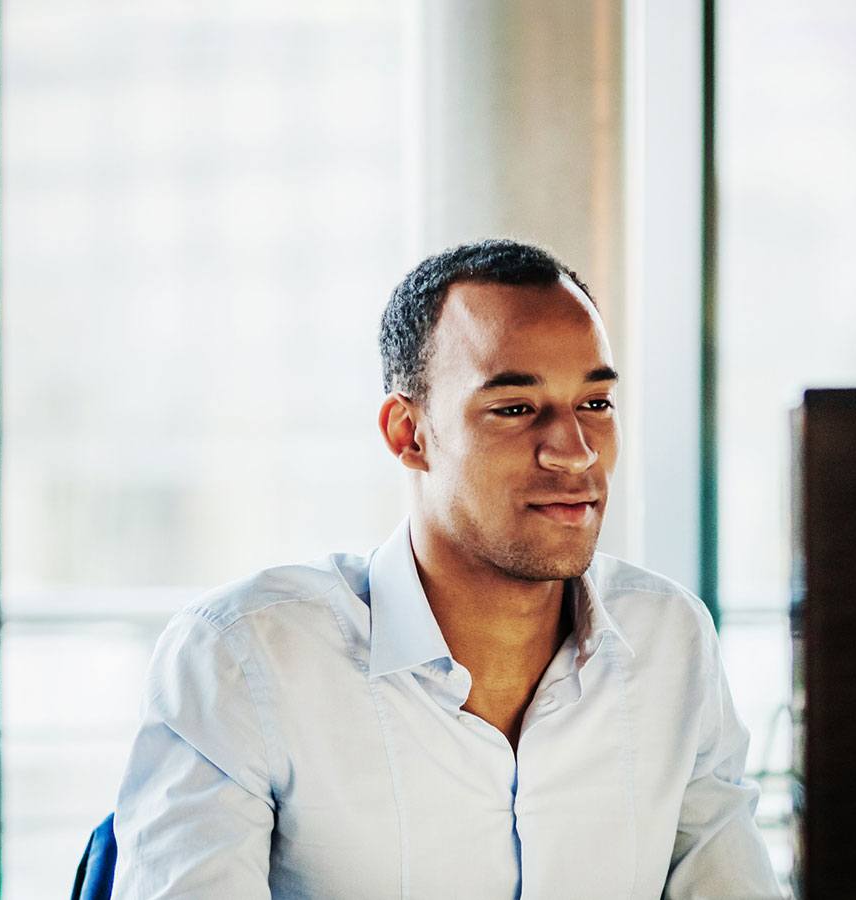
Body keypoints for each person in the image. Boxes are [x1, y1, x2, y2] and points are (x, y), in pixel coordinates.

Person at [112, 239, 782, 899]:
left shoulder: (670, 640)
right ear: (409, 434)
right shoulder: (239, 658)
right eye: (516, 409)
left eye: (595, 404)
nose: (575, 453)